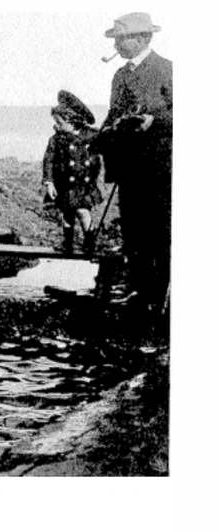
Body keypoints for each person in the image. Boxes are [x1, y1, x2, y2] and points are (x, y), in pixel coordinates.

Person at [96, 12, 172, 309]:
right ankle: (139, 291)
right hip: (128, 168)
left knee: (159, 232)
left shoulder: (167, 70)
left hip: (159, 168)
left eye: (121, 38)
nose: (117, 43)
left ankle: (159, 297)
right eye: (115, 38)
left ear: (143, 39)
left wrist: (154, 120)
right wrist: (101, 135)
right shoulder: (121, 75)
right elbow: (113, 115)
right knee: (133, 232)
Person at [41, 91, 102, 254]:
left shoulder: (92, 136)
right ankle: (67, 243)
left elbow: (104, 152)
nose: (57, 126)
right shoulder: (56, 139)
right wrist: (49, 181)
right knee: (66, 213)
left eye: (59, 122)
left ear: (71, 121)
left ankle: (90, 241)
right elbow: (49, 160)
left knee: (83, 211)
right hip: (65, 185)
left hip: (84, 185)